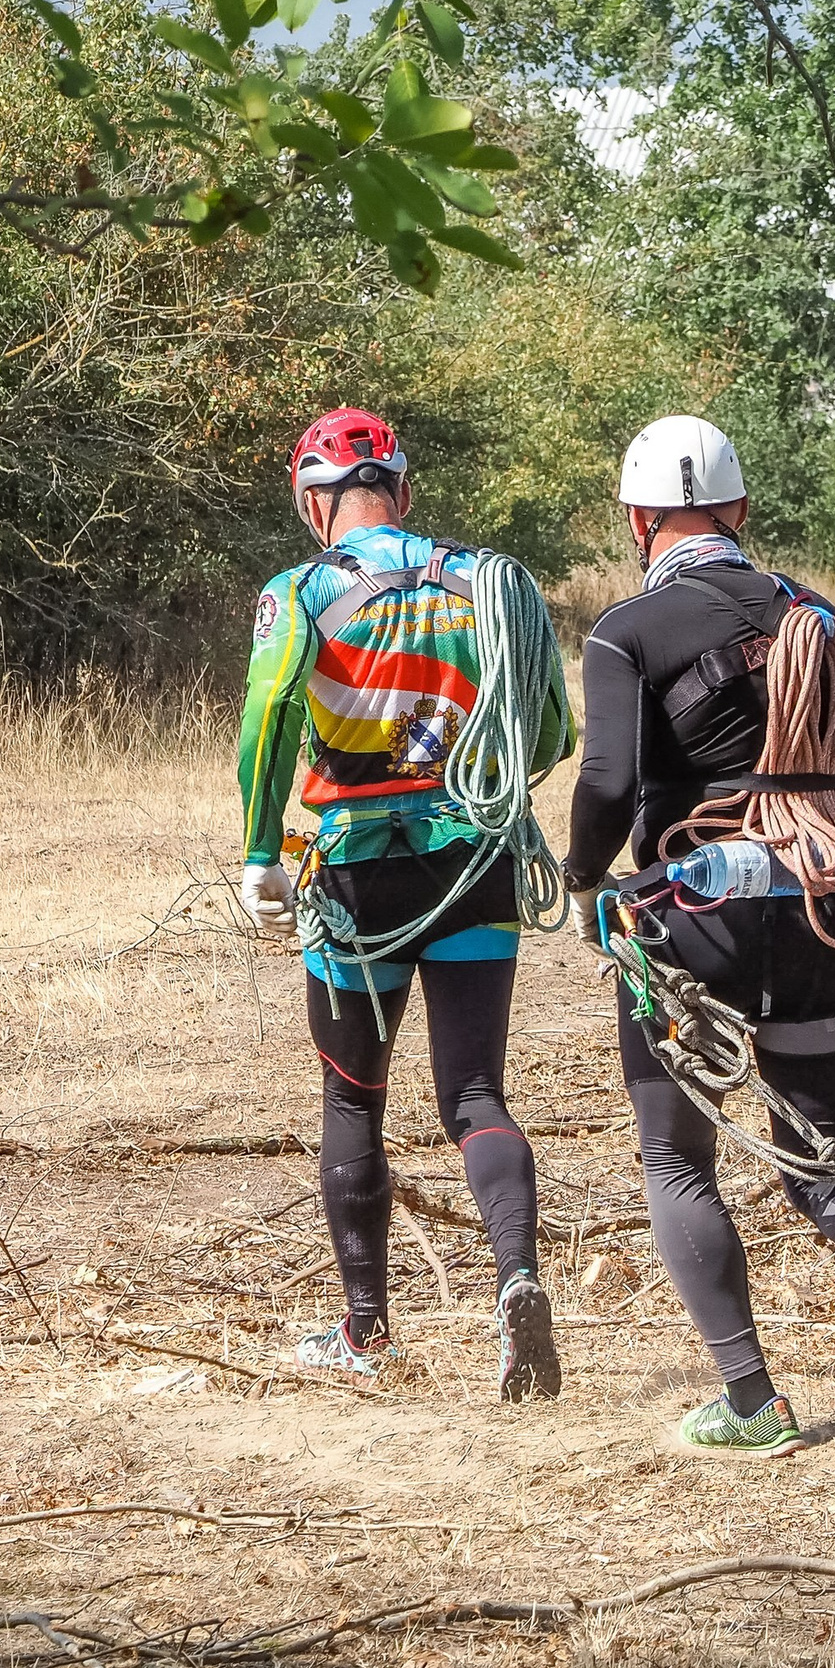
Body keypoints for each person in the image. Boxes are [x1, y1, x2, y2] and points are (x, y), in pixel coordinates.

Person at [562, 413, 835, 1458]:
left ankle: (752, 1401)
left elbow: (607, 783)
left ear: (640, 522)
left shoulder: (625, 632)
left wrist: (580, 878)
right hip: (825, 907)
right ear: (738, 512)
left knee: (675, 1158)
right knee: (823, 1167)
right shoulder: (813, 615)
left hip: (690, 919)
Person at [237, 408, 577, 1400]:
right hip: (477, 855)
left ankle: (367, 1331)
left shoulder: (299, 593)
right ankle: (516, 1275)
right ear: (405, 489)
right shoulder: (493, 580)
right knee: (475, 1093)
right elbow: (550, 726)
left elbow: (268, 717)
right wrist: (476, 778)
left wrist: (260, 851)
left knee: (354, 1096)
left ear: (311, 502)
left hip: (352, 872)